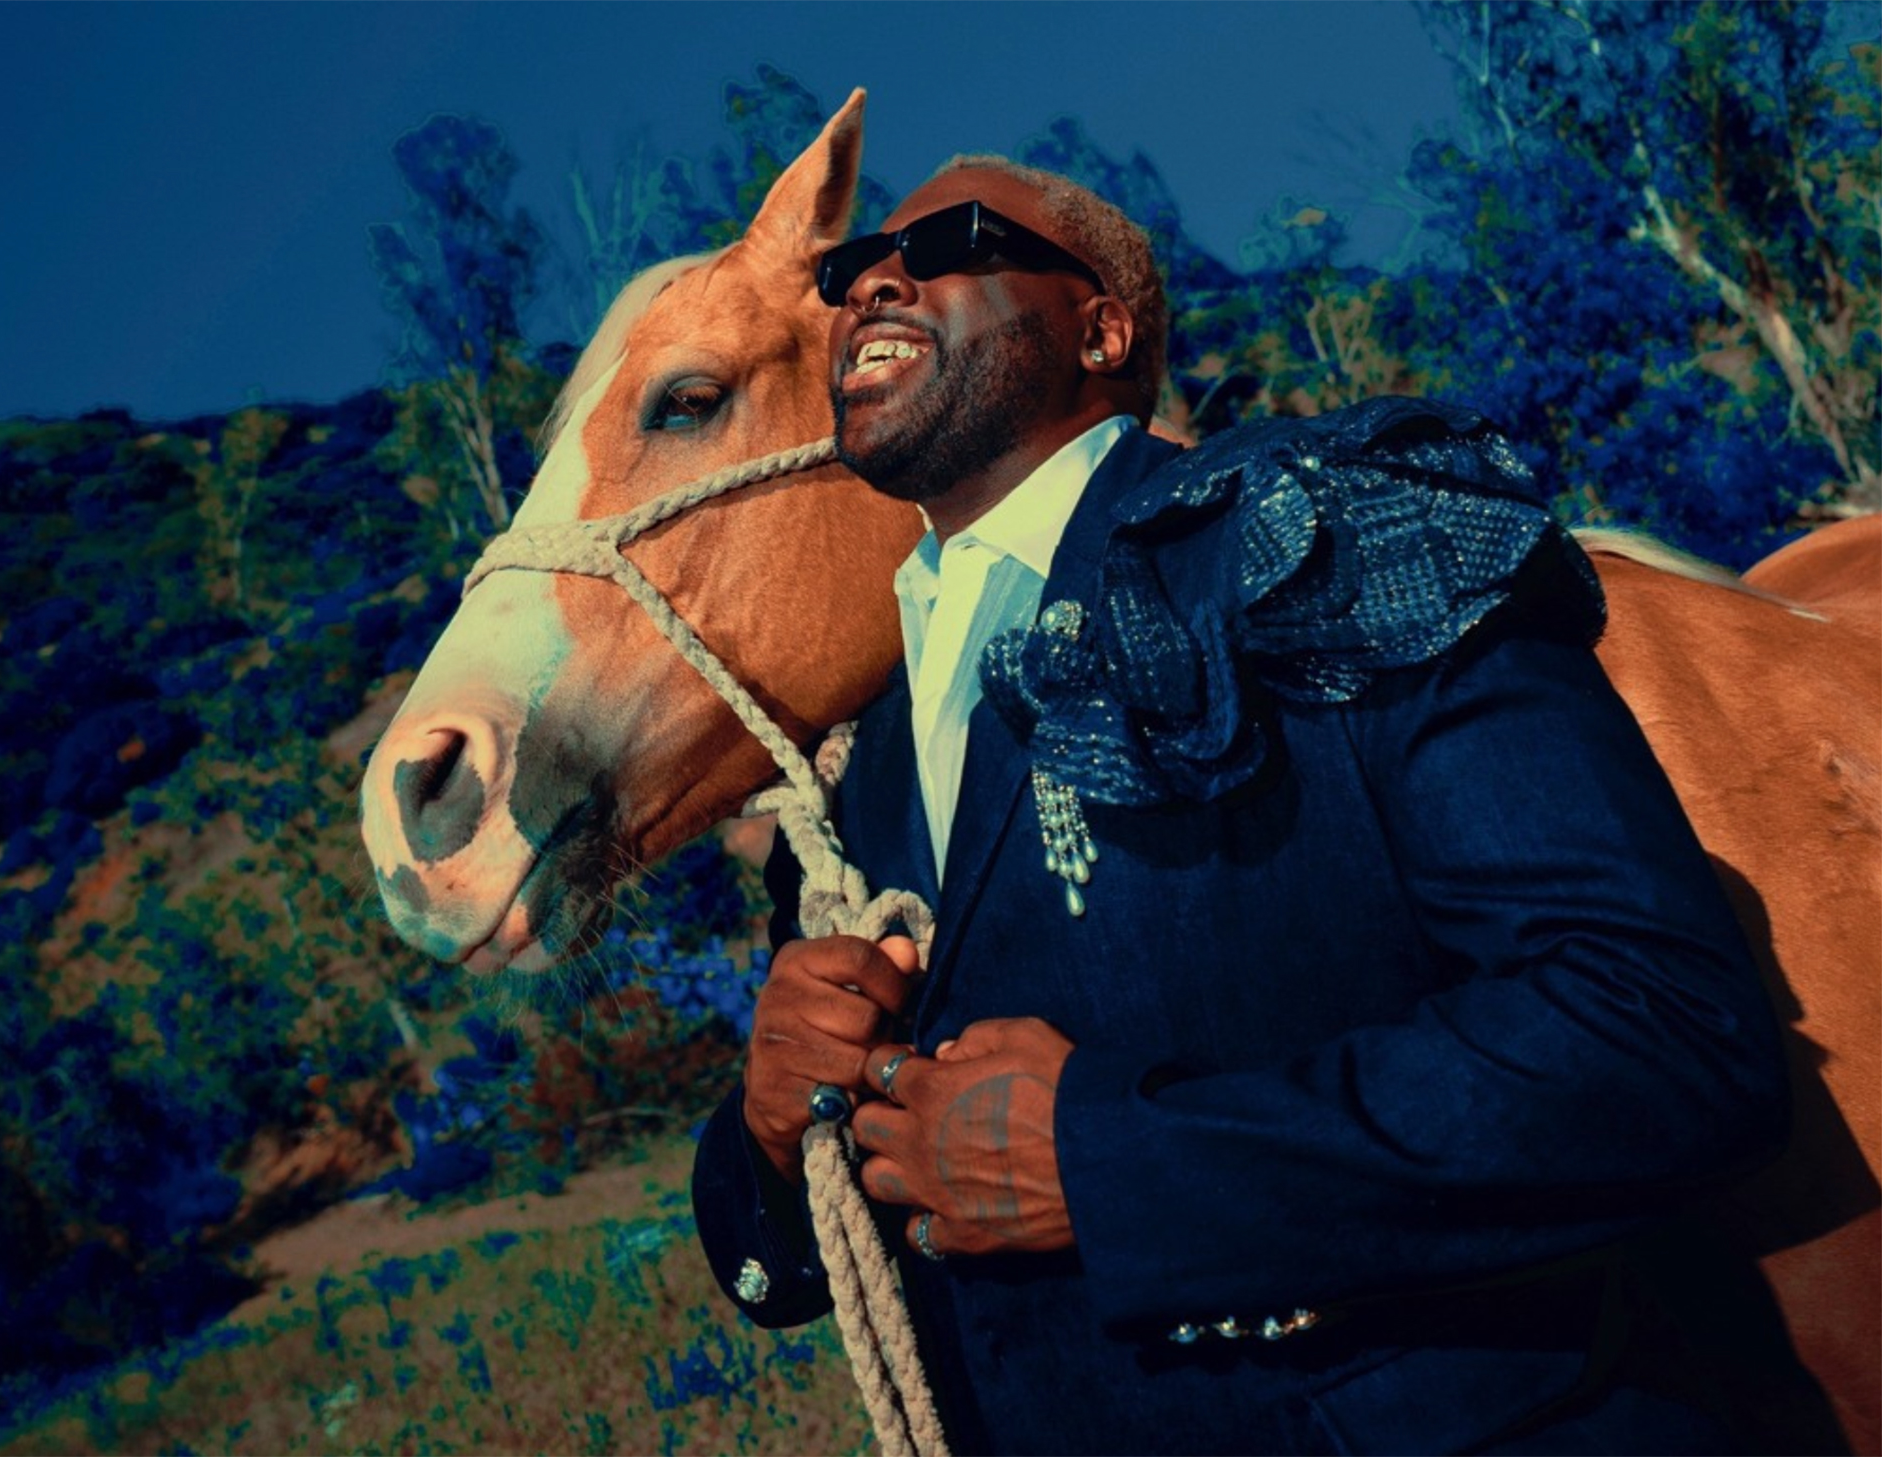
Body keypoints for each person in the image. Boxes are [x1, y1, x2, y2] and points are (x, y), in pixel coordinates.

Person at [691, 156, 1806, 1455]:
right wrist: (769, 1134)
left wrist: (1117, 1162)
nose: (872, 275)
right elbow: (810, 1263)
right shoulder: (840, 768)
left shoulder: (1342, 524)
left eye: (948, 242)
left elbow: (1665, 1035)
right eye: (851, 269)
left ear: (1101, 324)